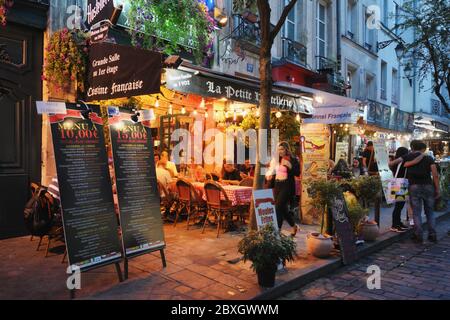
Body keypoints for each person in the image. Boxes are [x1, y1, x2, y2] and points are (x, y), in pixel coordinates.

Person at [391, 140, 440, 243]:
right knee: (430, 212)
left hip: (414, 186)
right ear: (422, 148)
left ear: (412, 147)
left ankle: (419, 235)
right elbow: (435, 175)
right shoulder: (428, 158)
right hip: (428, 185)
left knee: (416, 212)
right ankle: (432, 234)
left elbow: (392, 163)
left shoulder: (407, 157)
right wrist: (437, 189)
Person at [266, 142, 300, 236]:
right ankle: (293, 226)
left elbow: (297, 172)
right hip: (277, 185)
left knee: (277, 208)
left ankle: (277, 231)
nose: (280, 151)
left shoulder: (293, 159)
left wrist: (290, 166)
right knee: (282, 209)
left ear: (286, 149)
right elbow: (273, 172)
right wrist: (269, 177)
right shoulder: (276, 160)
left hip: (287, 186)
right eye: (278, 149)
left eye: (282, 149)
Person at [388, 147, 409, 232]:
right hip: (400, 183)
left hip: (398, 182)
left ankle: (398, 222)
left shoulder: (396, 161)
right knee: (399, 206)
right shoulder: (401, 161)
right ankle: (394, 225)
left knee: (399, 205)